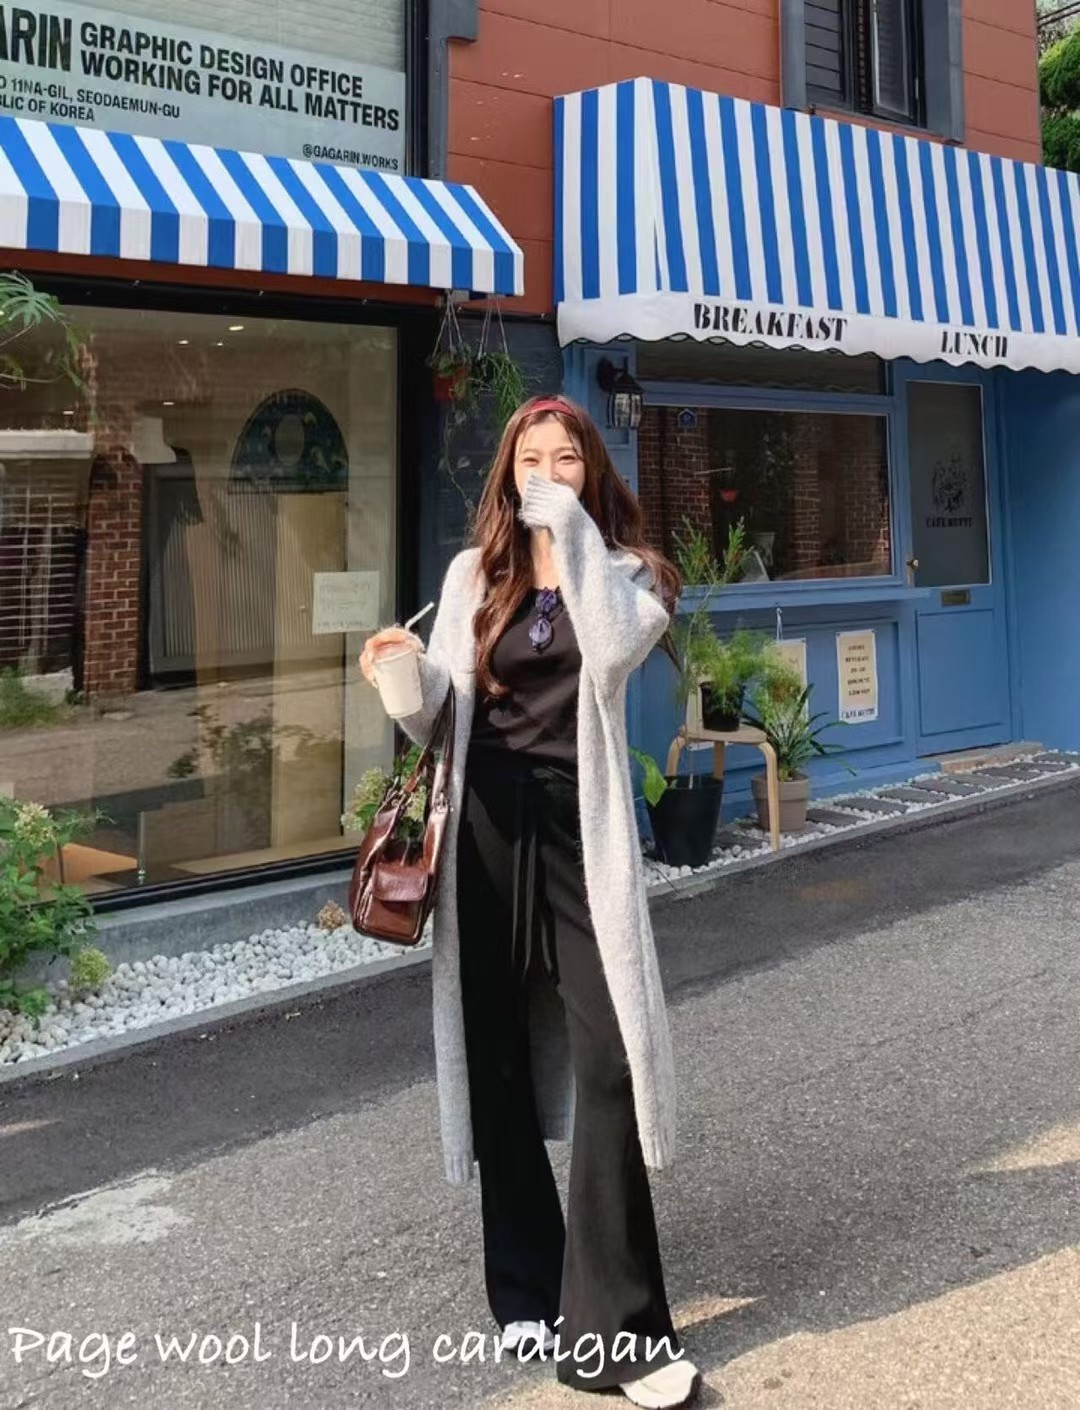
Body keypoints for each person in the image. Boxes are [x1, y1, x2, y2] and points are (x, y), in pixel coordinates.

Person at [359, 395, 699, 1408]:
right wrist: (402, 677)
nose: (548, 474)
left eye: (567, 460)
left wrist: (574, 533)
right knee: (496, 1058)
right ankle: (526, 1291)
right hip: (483, 830)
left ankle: (619, 1334)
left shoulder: (630, 574)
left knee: (610, 1062)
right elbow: (441, 718)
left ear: (593, 473)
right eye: (531, 461)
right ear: (506, 475)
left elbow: (613, 651)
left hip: (579, 832)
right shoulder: (475, 576)